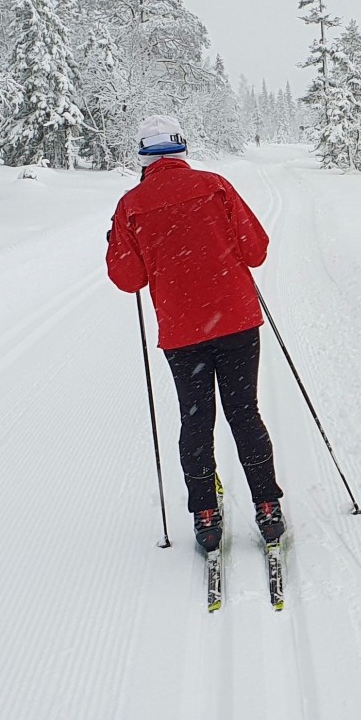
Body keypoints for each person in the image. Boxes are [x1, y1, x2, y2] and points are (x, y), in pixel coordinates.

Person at [106, 114, 285, 552]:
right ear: (181, 150)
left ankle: (205, 513)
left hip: (183, 333)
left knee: (195, 418)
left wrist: (117, 239)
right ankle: (267, 506)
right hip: (237, 321)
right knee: (244, 412)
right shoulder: (216, 185)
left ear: (144, 157)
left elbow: (129, 279)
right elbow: (256, 251)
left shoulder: (131, 205)